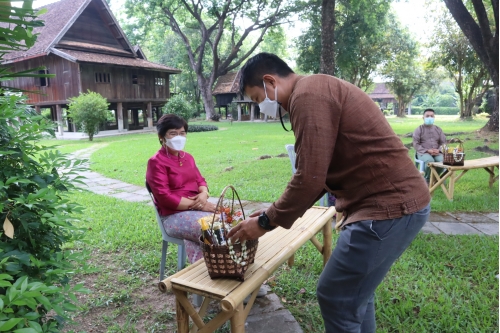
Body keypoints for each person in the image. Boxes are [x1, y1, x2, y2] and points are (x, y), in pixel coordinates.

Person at [227, 53, 431, 333]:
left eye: (257, 99)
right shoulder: (314, 89)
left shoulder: (308, 95)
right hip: (393, 204)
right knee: (356, 295)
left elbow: (310, 177)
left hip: (387, 208)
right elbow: (317, 176)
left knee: (335, 294)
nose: (261, 107)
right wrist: (270, 215)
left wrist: (264, 223)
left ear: (269, 82)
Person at [146, 114, 217, 264]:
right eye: (173, 133)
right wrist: (200, 205)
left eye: (182, 133)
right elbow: (165, 197)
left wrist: (204, 193)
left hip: (197, 210)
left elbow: (200, 180)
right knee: (212, 228)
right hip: (173, 216)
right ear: (161, 136)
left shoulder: (188, 157)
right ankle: (213, 274)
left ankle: (231, 271)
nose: (179, 137)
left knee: (231, 220)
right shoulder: (156, 162)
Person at [413, 108, 447, 184]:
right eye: (427, 116)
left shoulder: (438, 129)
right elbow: (416, 144)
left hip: (437, 152)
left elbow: (444, 142)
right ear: (423, 117)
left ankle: (435, 178)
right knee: (430, 161)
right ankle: (427, 179)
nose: (429, 118)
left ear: (434, 117)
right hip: (423, 152)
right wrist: (427, 150)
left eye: (431, 116)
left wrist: (439, 150)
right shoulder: (419, 129)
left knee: (442, 161)